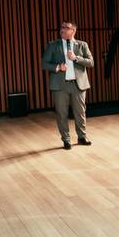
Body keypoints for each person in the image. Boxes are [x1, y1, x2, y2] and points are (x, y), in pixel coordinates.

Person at [41, 21, 94, 150]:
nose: (62, 30)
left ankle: (82, 137)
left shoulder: (82, 45)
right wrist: (58, 67)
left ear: (73, 31)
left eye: (66, 28)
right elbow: (44, 64)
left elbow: (91, 62)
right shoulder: (53, 45)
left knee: (80, 112)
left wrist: (76, 58)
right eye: (62, 27)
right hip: (60, 86)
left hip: (78, 85)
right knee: (61, 113)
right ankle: (66, 139)